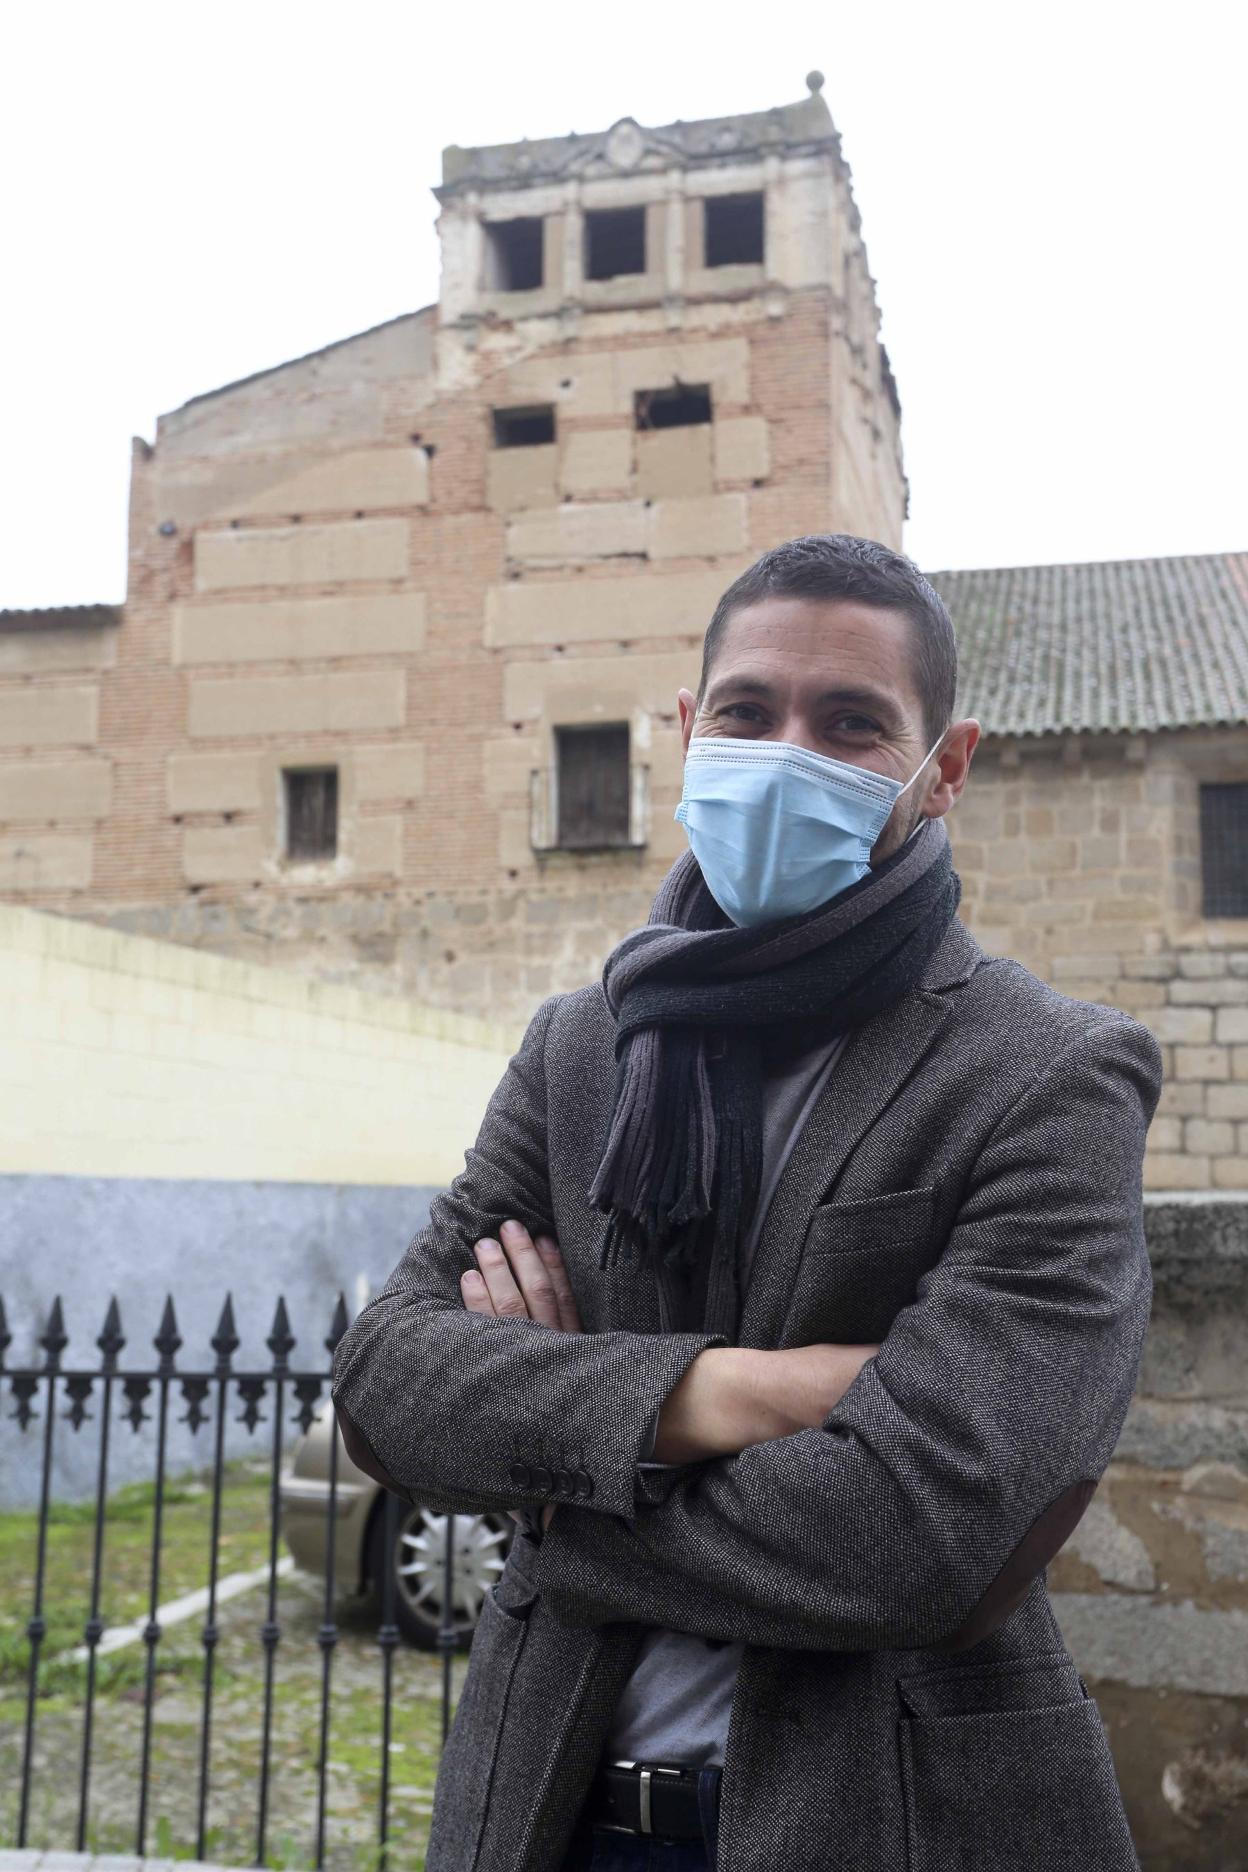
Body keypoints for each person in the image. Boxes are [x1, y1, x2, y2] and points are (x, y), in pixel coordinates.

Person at [332, 534, 1158, 1872]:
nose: (787, 755)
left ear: (944, 768)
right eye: (748, 712)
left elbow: (926, 1544)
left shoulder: (1046, 1075)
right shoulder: (582, 1047)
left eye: (850, 725)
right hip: (551, 1811)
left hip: (885, 1822)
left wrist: (553, 1494)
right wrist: (725, 1395)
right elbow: (386, 1384)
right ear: (685, 731)